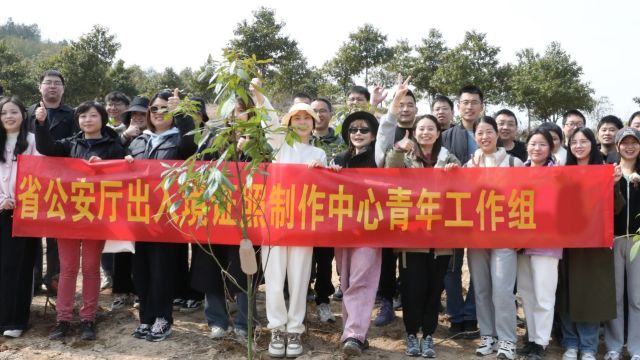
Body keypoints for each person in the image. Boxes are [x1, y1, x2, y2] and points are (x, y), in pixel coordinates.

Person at [35, 100, 126, 341]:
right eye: (82, 116)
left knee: (90, 269)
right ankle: (63, 319)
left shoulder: (114, 146)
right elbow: (46, 148)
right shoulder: (69, 144)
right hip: (69, 216)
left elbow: (125, 173)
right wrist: (41, 123)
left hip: (97, 217)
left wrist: (104, 167)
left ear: (102, 119)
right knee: (67, 269)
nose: (87, 120)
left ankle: (88, 318)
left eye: (93, 116)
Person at [385, 114, 461, 358]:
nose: (426, 132)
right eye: (421, 129)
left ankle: (428, 335)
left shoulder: (448, 158)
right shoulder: (405, 157)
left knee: (433, 289)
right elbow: (390, 170)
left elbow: (463, 189)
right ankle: (410, 334)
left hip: (441, 241)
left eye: (431, 129)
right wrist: (398, 148)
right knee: (412, 289)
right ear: (414, 132)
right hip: (411, 239)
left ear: (439, 133)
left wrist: (455, 172)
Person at [126, 89, 197, 342]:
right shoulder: (137, 141)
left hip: (167, 217)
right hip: (139, 217)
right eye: (154, 108)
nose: (158, 113)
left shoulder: (179, 140)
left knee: (162, 270)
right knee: (141, 270)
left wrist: (183, 115)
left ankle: (162, 319)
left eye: (165, 109)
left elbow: (191, 147)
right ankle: (145, 318)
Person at [263, 103, 326, 358]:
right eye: (296, 118)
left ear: (313, 124)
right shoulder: (279, 144)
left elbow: (325, 187)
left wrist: (322, 170)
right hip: (275, 222)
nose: (301, 122)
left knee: (299, 279)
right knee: (275, 280)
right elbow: (267, 119)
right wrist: (258, 95)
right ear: (288, 123)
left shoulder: (318, 153)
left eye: (306, 118)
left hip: (302, 225)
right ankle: (277, 329)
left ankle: (295, 330)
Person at [466, 116, 523, 360]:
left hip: (505, 236)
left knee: (502, 290)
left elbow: (526, 199)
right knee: (481, 288)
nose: (485, 136)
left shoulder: (514, 163)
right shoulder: (468, 165)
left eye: (489, 131)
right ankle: (487, 335)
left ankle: (508, 340)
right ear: (474, 136)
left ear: (497, 134)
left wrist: (521, 233)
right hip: (477, 237)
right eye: (480, 132)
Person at [558, 127, 615, 360]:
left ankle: (589, 346)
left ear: (592, 144)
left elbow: (616, 209)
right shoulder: (562, 173)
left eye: (584, 141)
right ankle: (571, 343)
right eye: (574, 142)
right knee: (566, 294)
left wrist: (614, 185)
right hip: (567, 244)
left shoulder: (605, 172)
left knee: (590, 296)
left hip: (594, 246)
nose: (579, 146)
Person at [326, 110, 380, 356]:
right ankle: (355, 333)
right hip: (343, 229)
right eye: (353, 130)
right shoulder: (340, 158)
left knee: (361, 279)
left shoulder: (379, 157)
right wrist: (322, 171)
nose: (358, 133)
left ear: (373, 134)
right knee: (346, 280)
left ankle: (354, 334)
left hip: (371, 229)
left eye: (364, 129)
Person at [28, 69, 79, 295]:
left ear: (63, 88)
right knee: (31, 230)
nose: (52, 86)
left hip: (62, 180)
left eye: (56, 83)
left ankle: (54, 281)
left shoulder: (74, 114)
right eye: (47, 83)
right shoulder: (27, 112)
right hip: (30, 179)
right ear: (39, 87)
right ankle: (34, 278)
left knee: (56, 231)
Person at [440, 85, 485, 337]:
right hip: (453, 209)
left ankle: (473, 316)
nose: (469, 106)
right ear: (459, 106)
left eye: (474, 102)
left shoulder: (489, 133)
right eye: (465, 102)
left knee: (479, 266)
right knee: (451, 266)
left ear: (482, 106)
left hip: (483, 210)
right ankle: (456, 316)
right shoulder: (446, 136)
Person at [516, 127, 562, 360]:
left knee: (544, 295)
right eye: (533, 144)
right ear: (527, 146)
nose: (537, 148)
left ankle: (541, 342)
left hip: (547, 243)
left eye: (542, 144)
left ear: (551, 147)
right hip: (521, 244)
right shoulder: (517, 171)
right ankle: (531, 338)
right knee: (526, 294)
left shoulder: (558, 173)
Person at [0, 96, 40, 338]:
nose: (8, 117)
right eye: (4, 113)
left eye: (13, 112)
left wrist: (20, 198)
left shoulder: (33, 142)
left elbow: (41, 175)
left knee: (20, 267)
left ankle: (15, 320)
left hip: (24, 213)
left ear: (23, 115)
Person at [110, 96, 150, 311]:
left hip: (149, 201)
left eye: (142, 114)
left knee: (142, 250)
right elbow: (110, 154)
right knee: (121, 249)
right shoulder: (120, 135)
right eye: (134, 114)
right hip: (124, 200)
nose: (138, 118)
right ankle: (121, 291)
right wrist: (125, 137)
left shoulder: (157, 136)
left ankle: (139, 291)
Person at [604, 127, 640, 360]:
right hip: (614, 241)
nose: (629, 146)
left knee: (637, 298)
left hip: (637, 242)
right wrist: (613, 183)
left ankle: (636, 348)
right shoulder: (608, 172)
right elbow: (601, 207)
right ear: (617, 147)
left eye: (634, 142)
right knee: (614, 296)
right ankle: (614, 346)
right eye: (624, 142)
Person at [309, 96, 343, 322]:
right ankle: (299, 301)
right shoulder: (300, 140)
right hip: (303, 208)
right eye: (315, 111)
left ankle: (323, 301)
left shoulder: (341, 142)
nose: (319, 115)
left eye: (323, 111)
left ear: (331, 114)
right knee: (302, 259)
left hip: (330, 210)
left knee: (324, 259)